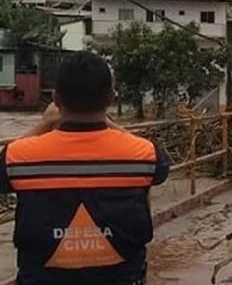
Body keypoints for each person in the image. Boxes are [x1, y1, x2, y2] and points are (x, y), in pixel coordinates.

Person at [0, 52, 170, 284]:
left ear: (56, 100)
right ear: (110, 97)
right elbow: (161, 168)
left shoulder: (19, 156)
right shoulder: (142, 154)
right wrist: (109, 123)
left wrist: (44, 124)